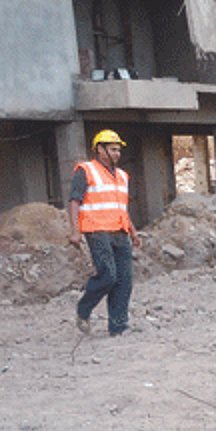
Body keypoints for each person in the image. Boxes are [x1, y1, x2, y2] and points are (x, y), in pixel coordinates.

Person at [68, 129, 139, 336]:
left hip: (120, 230)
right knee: (108, 275)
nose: (117, 154)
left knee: (124, 280)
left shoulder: (123, 176)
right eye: (113, 149)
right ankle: (84, 308)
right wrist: (74, 230)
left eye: (118, 150)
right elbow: (74, 200)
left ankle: (118, 326)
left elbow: (121, 207)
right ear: (100, 149)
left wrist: (133, 231)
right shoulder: (86, 170)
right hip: (97, 230)